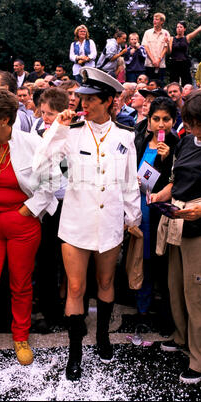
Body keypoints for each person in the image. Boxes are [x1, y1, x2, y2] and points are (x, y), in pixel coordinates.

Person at [32, 67, 141, 381]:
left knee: (106, 284)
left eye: (91, 99)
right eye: (81, 97)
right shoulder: (72, 130)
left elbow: (129, 182)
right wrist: (57, 130)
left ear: (108, 101)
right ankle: (75, 350)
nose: (83, 103)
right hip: (76, 223)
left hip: (109, 223)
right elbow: (40, 163)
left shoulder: (125, 136)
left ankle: (103, 337)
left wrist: (132, 218)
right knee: (77, 287)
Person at [0, 88, 58, 384]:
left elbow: (53, 181)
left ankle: (21, 337)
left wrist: (29, 210)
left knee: (20, 284)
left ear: (4, 119)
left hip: (22, 223)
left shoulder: (32, 143)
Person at [152, 89, 201, 384]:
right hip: (179, 220)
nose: (197, 131)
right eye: (192, 125)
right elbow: (176, 180)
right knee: (177, 289)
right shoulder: (186, 140)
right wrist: (161, 193)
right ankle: (182, 338)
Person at [133, 97, 178, 334]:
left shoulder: (177, 145)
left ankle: (165, 312)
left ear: (173, 121)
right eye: (156, 119)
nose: (161, 125)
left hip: (160, 213)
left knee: (162, 264)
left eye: (166, 119)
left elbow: (175, 181)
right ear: (149, 121)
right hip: (139, 210)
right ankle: (142, 311)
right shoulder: (139, 141)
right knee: (142, 262)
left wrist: (165, 158)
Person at [31, 87, 69, 332]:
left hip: (66, 202)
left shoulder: (71, 134)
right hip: (43, 203)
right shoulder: (35, 130)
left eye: (52, 113)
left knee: (66, 261)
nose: (46, 117)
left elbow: (69, 170)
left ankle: (70, 310)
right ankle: (48, 310)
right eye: (43, 112)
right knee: (44, 259)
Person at [169, 17, 201, 86]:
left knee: (187, 84)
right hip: (174, 63)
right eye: (177, 27)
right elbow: (169, 52)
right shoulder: (171, 39)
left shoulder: (187, 38)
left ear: (184, 29)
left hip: (184, 63)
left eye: (181, 27)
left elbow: (199, 29)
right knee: (173, 84)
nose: (178, 28)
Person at [141, 13, 170, 82]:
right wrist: (153, 60)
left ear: (162, 22)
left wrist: (158, 60)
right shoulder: (147, 32)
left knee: (160, 85)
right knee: (149, 85)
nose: (154, 21)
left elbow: (166, 48)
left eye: (157, 19)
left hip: (161, 65)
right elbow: (145, 47)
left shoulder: (166, 33)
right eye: (154, 19)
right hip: (149, 64)